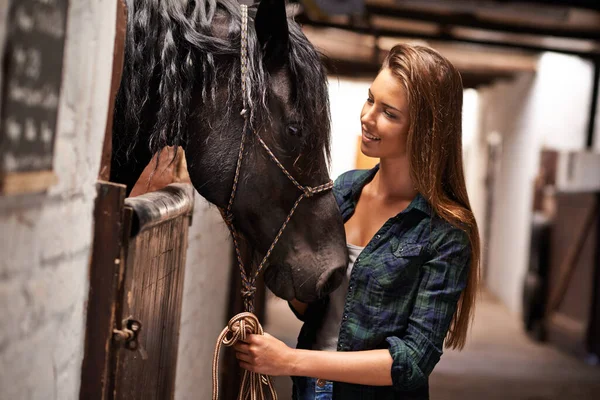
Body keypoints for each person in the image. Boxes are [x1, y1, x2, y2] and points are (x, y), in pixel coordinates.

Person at [233, 43, 481, 400]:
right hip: (310, 392)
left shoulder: (446, 231)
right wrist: (283, 262)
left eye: (389, 113)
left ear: (425, 131)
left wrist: (290, 361)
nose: (367, 117)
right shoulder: (342, 192)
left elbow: (411, 361)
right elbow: (315, 310)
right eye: (370, 99)